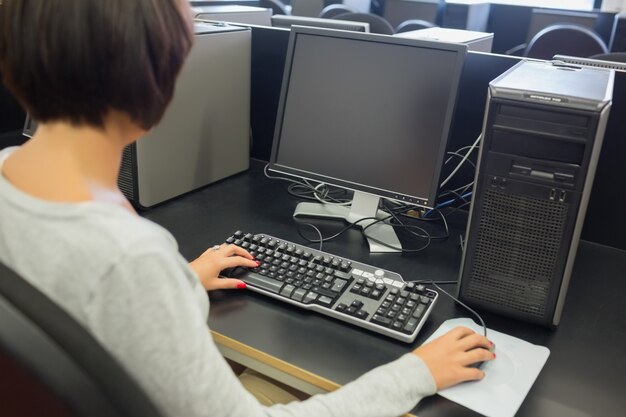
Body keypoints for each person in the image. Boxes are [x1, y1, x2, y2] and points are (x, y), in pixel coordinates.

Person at [0, 1, 495, 416]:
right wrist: (417, 373)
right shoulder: (131, 259)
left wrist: (180, 282)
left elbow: (69, 302)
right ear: (155, 84)